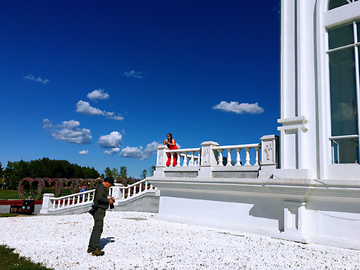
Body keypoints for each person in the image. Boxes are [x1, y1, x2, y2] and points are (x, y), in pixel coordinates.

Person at [87, 177, 115, 256]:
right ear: (107, 182)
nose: (110, 186)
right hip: (99, 211)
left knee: (96, 228)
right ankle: (95, 248)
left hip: (99, 211)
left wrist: (108, 200)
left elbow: (101, 197)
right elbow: (99, 198)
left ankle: (91, 246)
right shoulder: (101, 187)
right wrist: (108, 201)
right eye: (110, 184)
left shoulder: (101, 187)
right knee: (98, 229)